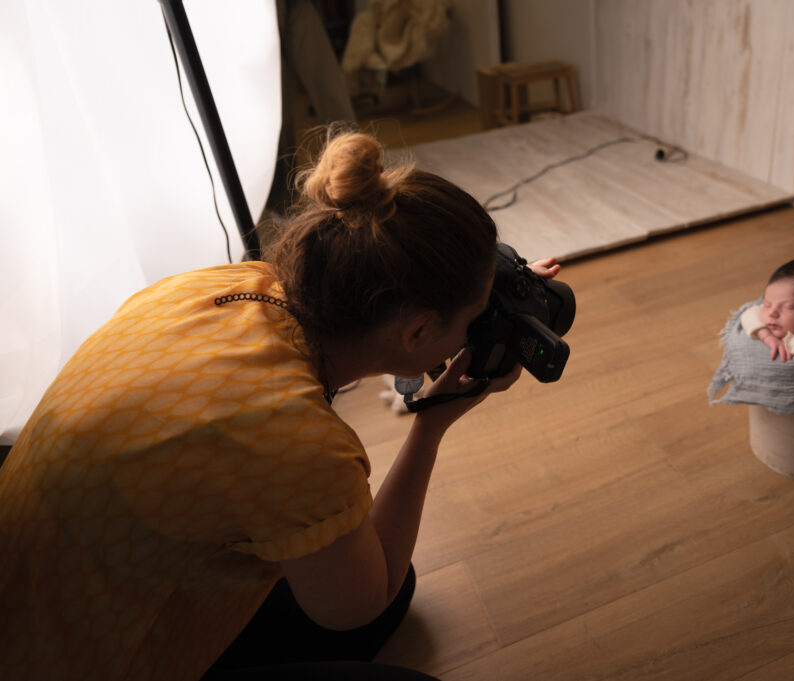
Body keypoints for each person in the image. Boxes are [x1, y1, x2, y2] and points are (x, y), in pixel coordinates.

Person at [0, 130, 560, 681]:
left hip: (32, 579)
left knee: (382, 568)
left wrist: (486, 286)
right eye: (473, 317)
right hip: (77, 660)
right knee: (382, 593)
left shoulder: (220, 285)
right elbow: (358, 606)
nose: (476, 327)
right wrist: (431, 426)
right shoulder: (301, 443)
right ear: (415, 331)